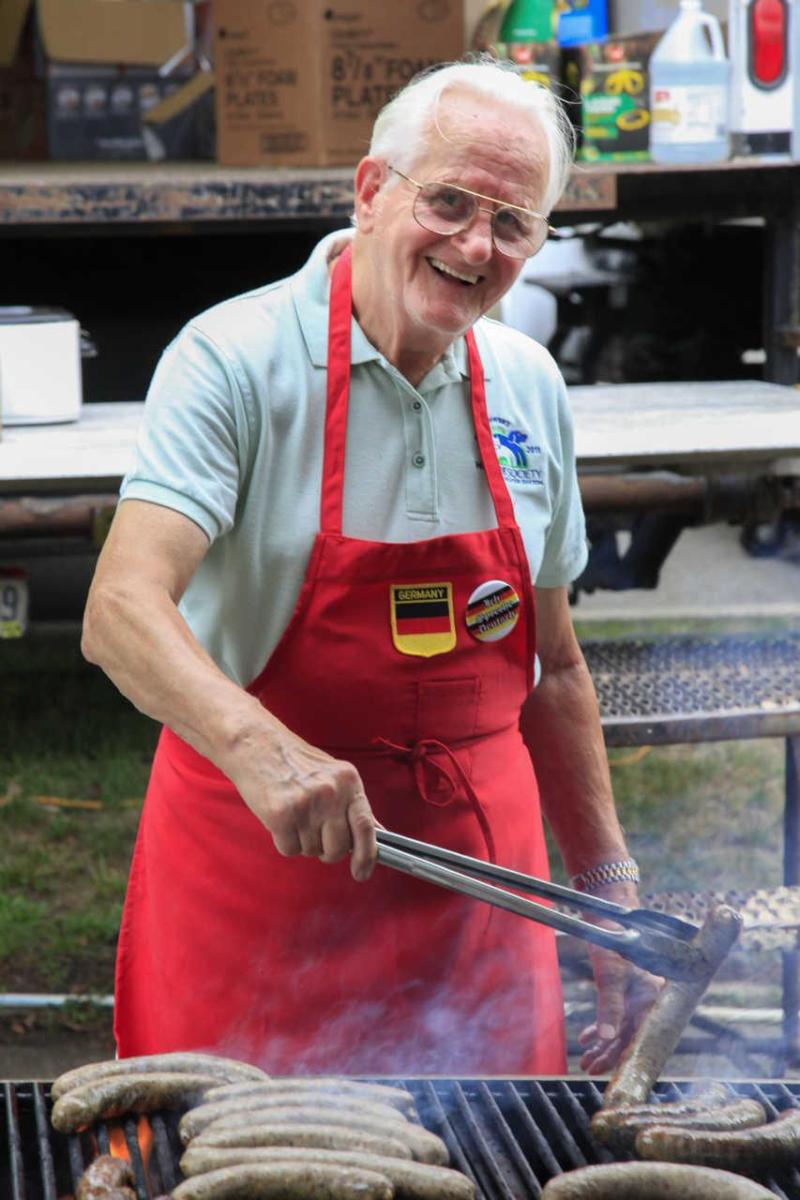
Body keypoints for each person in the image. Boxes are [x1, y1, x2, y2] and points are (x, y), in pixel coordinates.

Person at [83, 57, 657, 1077]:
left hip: (478, 921)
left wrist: (608, 884)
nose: (475, 245)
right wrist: (263, 751)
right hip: (259, 909)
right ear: (370, 190)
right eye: (447, 202)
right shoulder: (235, 360)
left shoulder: (527, 384)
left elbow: (554, 670)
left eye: (512, 224)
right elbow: (122, 607)